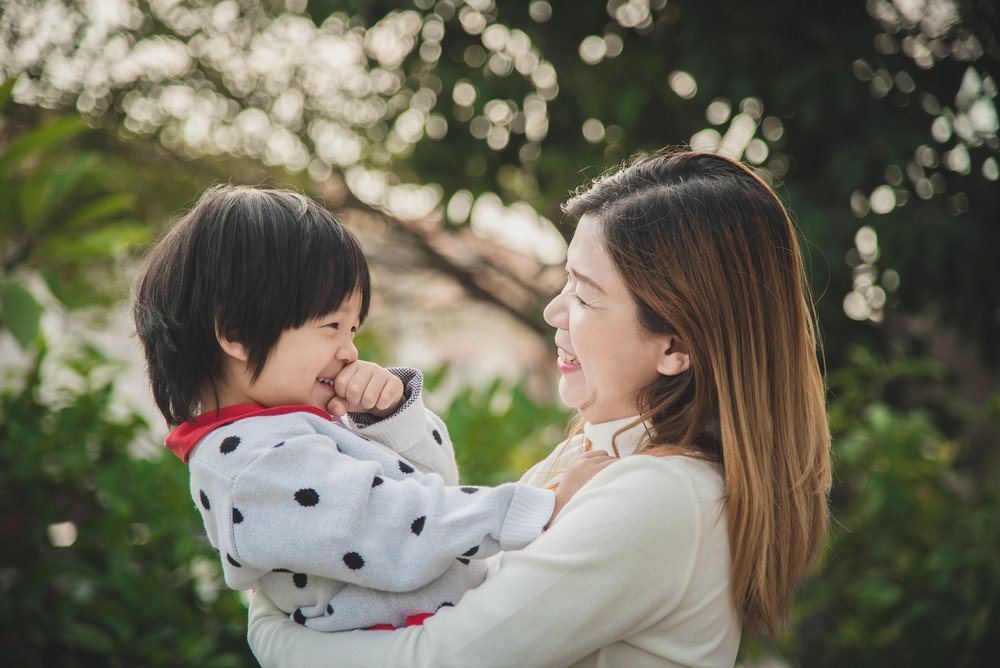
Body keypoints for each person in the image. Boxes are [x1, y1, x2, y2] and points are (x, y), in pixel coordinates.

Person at [246, 150, 833, 667]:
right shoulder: (599, 452)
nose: (554, 312)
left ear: (675, 346)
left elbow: (435, 658)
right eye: (564, 282)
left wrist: (269, 626)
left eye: (583, 294)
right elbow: (448, 579)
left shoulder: (661, 495)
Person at [131, 185, 613, 633]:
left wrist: (390, 419)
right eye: (331, 325)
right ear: (235, 333)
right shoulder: (253, 466)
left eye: (353, 330)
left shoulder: (286, 430)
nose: (349, 351)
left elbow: (432, 488)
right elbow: (400, 531)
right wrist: (545, 507)